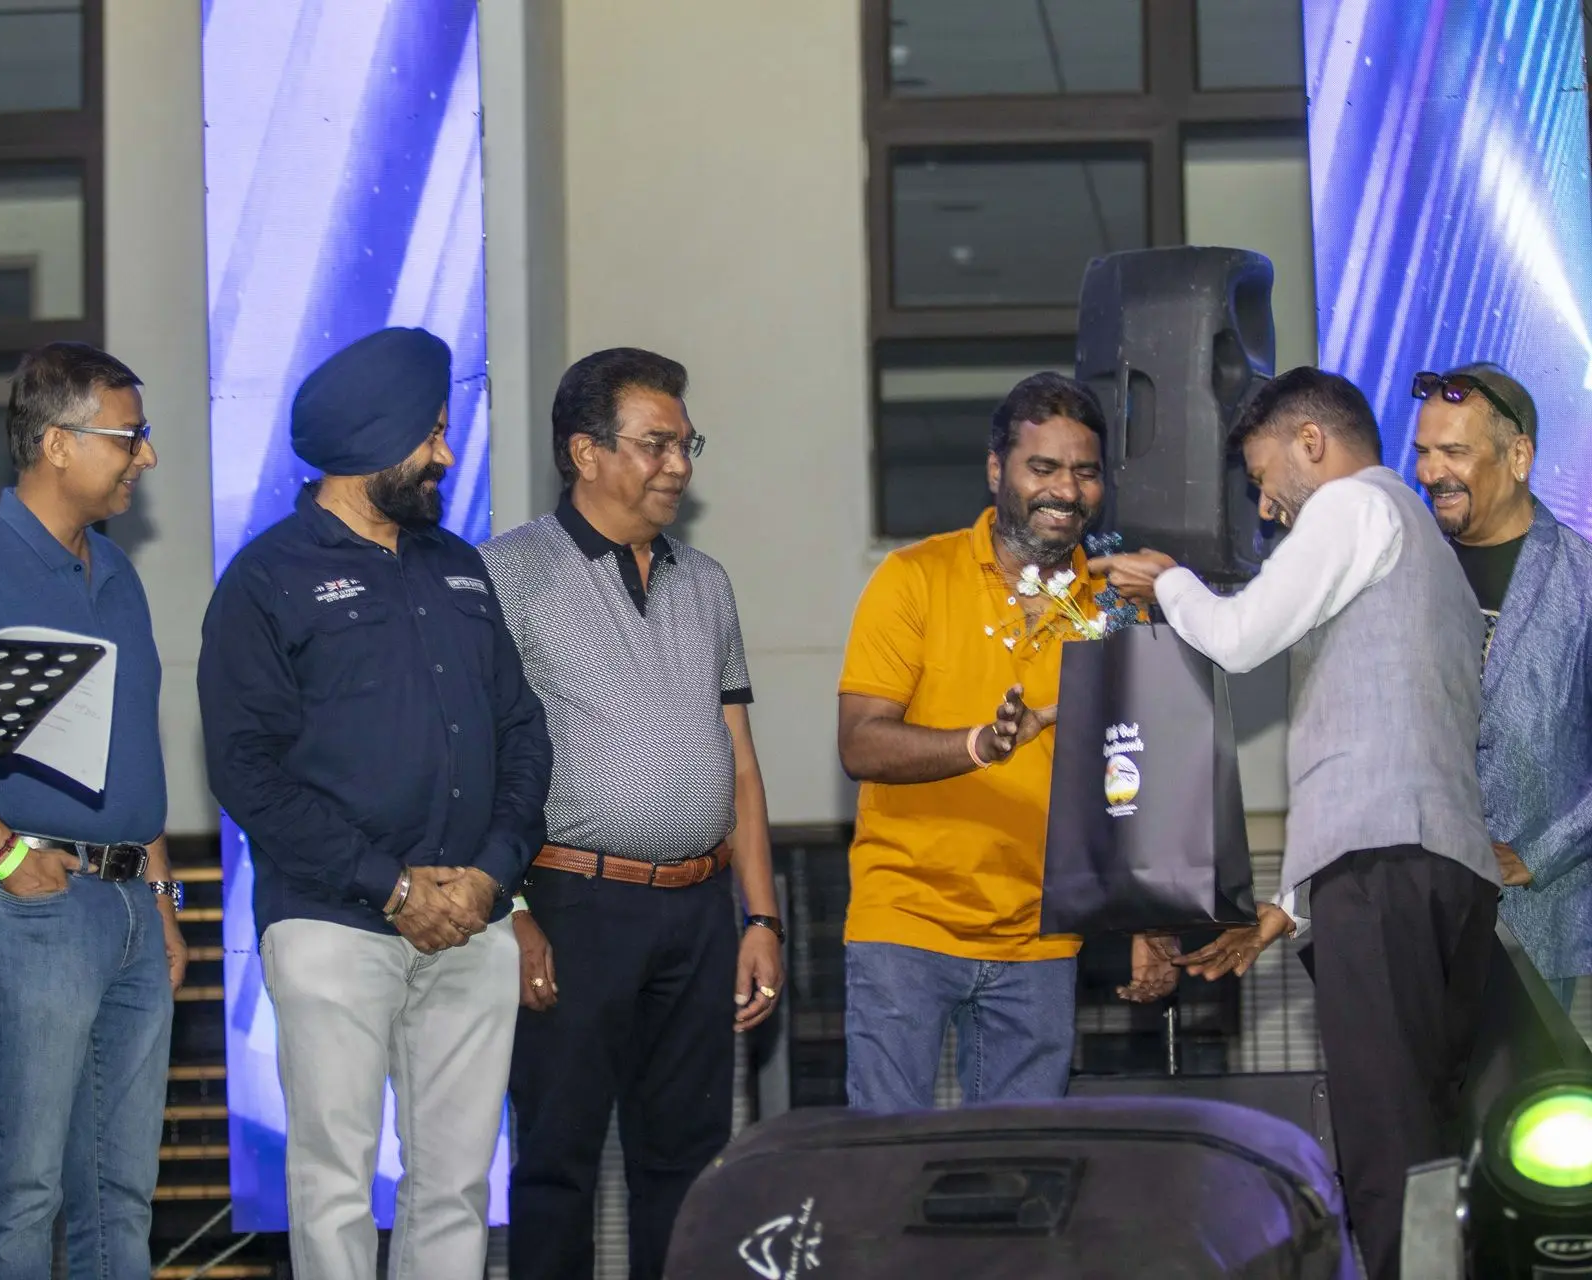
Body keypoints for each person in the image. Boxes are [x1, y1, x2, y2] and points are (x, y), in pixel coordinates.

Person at [1091, 367, 1499, 1280]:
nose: (1267, 506)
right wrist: (1292, 903)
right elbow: (1386, 734)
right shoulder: (1426, 544)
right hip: (1443, 871)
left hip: (1386, 874)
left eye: (1263, 475)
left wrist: (1171, 584)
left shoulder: (1352, 506)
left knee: (1385, 1145)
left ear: (1311, 441)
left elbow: (1238, 638)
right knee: (1428, 1142)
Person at [198, 327, 550, 1280]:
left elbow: (523, 734)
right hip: (332, 923)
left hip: (473, 919)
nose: (446, 454)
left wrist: (489, 877)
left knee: (458, 1186)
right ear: (371, 440)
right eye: (430, 434)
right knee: (333, 1185)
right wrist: (389, 886)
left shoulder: (460, 567)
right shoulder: (265, 580)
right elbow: (246, 770)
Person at [483, 348, 782, 1280]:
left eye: (687, 443)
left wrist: (761, 918)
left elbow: (741, 762)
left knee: (689, 1168)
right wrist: (510, 913)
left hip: (700, 913)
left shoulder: (708, 582)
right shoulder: (505, 574)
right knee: (557, 1165)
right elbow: (477, 764)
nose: (679, 465)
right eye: (656, 444)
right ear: (586, 452)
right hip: (572, 906)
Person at [0, 342, 184, 1279]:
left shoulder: (118, 573)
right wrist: (8, 857)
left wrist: (162, 898)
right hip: (27, 908)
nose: (146, 456)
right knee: (25, 1190)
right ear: (58, 444)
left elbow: (131, 749)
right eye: (130, 436)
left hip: (128, 906)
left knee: (120, 1195)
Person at [835, 372, 1126, 1116]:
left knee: (1019, 1167)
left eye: (1085, 471)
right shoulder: (914, 578)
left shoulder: (1116, 603)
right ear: (997, 470)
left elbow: (1135, 771)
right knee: (889, 1159)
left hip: (1043, 939)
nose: (1066, 489)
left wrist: (1150, 918)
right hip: (907, 921)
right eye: (1043, 467)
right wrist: (979, 746)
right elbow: (861, 744)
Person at [1412, 363, 1592, 1011]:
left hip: (1531, 931)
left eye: (1454, 452)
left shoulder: (1582, 583)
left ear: (1519, 457)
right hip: (1408, 918)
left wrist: (1537, 854)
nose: (1431, 472)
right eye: (1423, 452)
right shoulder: (1403, 574)